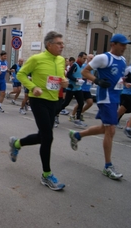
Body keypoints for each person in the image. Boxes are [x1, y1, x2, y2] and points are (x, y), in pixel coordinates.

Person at [8, 31, 68, 191]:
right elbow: (21, 74)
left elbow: (61, 77)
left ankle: (16, 143)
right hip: (38, 101)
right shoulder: (36, 59)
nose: (62, 46)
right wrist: (32, 87)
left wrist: (64, 82)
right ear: (49, 45)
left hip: (54, 101)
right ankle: (47, 175)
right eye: (59, 43)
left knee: (43, 136)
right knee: (48, 137)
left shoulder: (61, 60)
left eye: (62, 43)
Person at [69, 34, 131, 180]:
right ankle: (107, 166)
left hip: (116, 97)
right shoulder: (103, 58)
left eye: (126, 45)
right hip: (106, 97)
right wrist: (97, 81)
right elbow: (85, 71)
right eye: (122, 44)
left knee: (105, 128)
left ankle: (77, 135)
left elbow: (119, 78)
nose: (125, 47)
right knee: (110, 130)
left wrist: (128, 80)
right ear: (113, 44)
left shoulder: (122, 60)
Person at [57, 52, 87, 128]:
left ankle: (77, 120)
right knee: (65, 103)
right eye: (84, 58)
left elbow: (79, 75)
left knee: (81, 103)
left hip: (78, 88)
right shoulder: (75, 65)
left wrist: (81, 79)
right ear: (79, 57)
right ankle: (55, 115)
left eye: (85, 59)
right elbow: (68, 75)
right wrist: (76, 80)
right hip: (71, 88)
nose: (85, 60)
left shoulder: (82, 66)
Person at [71, 54, 94, 121]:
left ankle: (81, 112)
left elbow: (91, 76)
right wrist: (87, 77)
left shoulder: (92, 68)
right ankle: (72, 115)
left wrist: (92, 80)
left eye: (93, 58)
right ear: (87, 59)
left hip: (87, 88)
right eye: (90, 58)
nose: (92, 60)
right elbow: (80, 76)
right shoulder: (83, 66)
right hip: (81, 88)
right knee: (80, 103)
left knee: (90, 103)